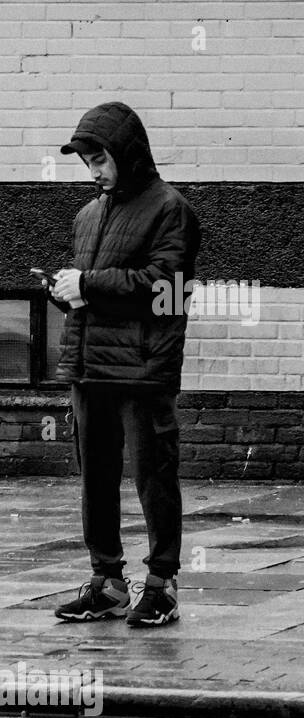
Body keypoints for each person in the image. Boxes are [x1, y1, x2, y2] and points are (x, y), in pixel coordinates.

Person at [49, 102, 201, 628]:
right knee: (96, 475)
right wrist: (66, 293)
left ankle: (161, 583)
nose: (94, 171)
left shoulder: (170, 209)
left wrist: (88, 286)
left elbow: (167, 290)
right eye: (87, 162)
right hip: (90, 367)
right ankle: (107, 581)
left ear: (127, 153)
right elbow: (94, 293)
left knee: (153, 472)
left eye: (101, 158)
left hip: (143, 365)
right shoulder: (88, 215)